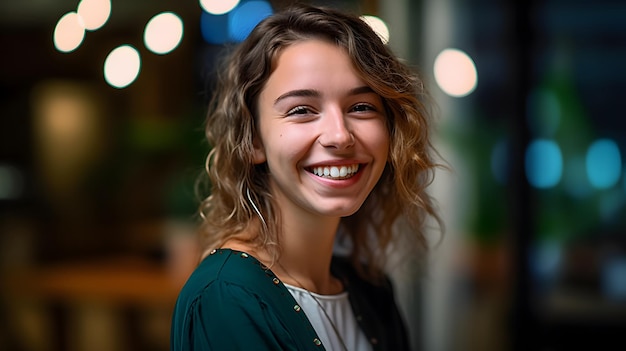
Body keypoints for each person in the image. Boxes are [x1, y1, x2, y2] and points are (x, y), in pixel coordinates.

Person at [170, 3, 442, 351]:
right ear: (253, 141)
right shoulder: (226, 298)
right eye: (302, 110)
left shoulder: (369, 289)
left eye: (361, 107)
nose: (340, 135)